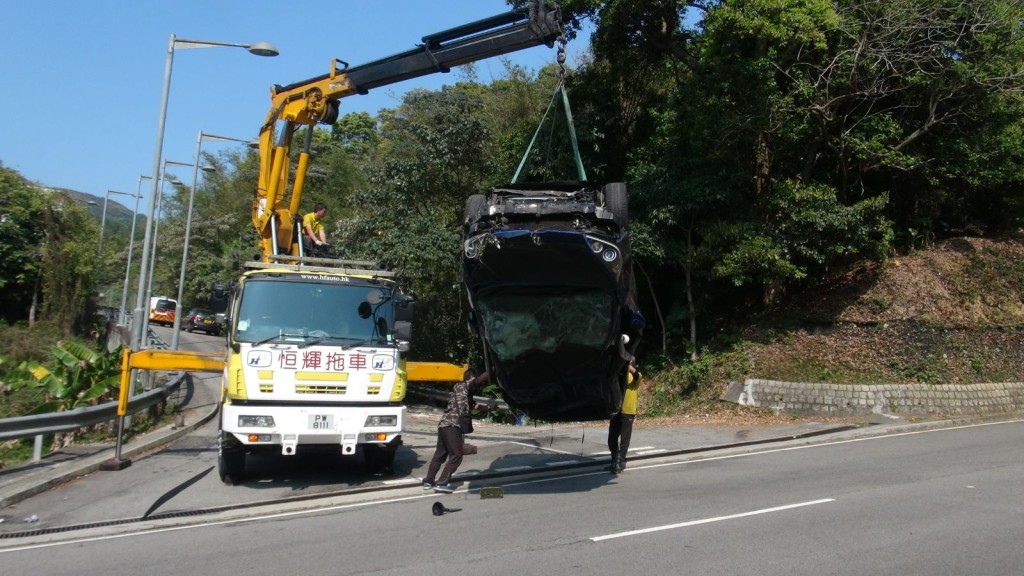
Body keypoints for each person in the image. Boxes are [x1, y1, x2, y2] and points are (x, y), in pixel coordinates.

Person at [423, 369, 489, 493]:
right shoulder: (463, 385)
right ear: (471, 378)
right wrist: (494, 369)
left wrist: (489, 408)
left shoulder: (461, 393)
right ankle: (442, 483)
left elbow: (475, 405)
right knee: (457, 455)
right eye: (474, 379)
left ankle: (428, 481)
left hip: (443, 424)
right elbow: (479, 380)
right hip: (453, 425)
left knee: (440, 453)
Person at [608, 357, 642, 474]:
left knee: (624, 438)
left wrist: (627, 365)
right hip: (617, 410)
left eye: (630, 362)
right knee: (612, 438)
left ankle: (620, 461)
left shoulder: (636, 377)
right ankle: (614, 459)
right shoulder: (619, 375)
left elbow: (637, 375)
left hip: (628, 411)